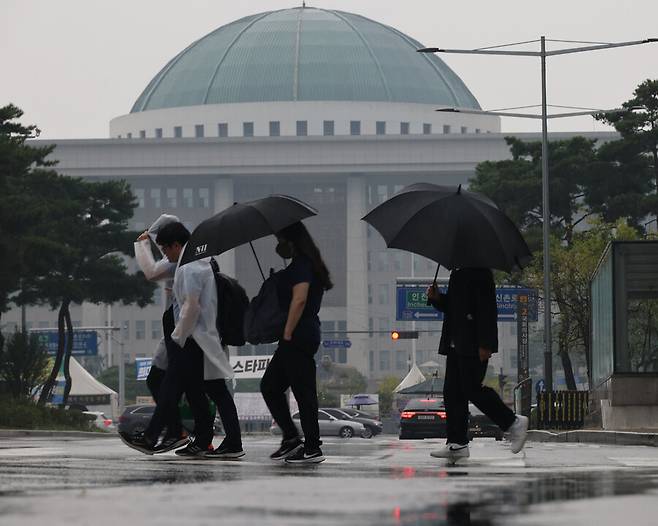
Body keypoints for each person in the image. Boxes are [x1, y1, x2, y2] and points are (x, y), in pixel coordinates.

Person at [127, 222, 243, 458]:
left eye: (166, 249)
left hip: (192, 338)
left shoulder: (190, 267)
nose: (166, 255)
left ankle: (154, 435)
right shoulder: (196, 262)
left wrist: (177, 336)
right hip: (201, 338)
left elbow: (191, 307)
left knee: (173, 385)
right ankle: (216, 441)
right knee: (209, 389)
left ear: (176, 245)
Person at [426, 268, 528, 460]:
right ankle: (457, 443)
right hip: (456, 342)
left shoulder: (479, 272)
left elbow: (487, 309)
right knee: (452, 392)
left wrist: (486, 343)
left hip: (473, 343)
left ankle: (513, 422)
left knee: (471, 388)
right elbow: (455, 307)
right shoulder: (458, 273)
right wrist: (438, 298)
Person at [260, 222, 332, 464]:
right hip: (301, 334)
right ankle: (291, 437)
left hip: (298, 334)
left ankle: (312, 448)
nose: (278, 245)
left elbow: (299, 299)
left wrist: (288, 331)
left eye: (281, 240)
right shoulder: (302, 264)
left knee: (304, 393)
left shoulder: (302, 265)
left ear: (292, 241)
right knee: (270, 386)